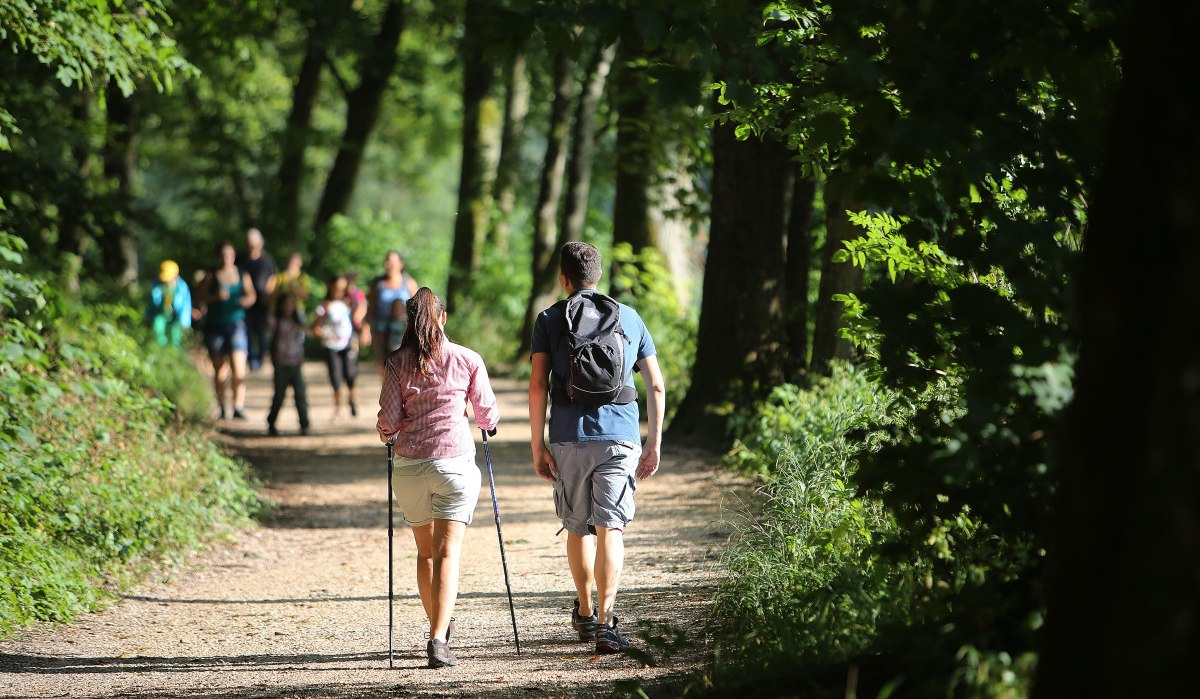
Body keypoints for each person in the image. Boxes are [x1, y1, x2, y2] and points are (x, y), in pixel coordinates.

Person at [528, 242, 665, 655]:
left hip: (570, 436)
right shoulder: (630, 317)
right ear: (598, 276)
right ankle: (607, 622)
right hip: (621, 436)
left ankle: (585, 612)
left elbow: (537, 385)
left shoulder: (551, 318)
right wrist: (653, 441)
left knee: (577, 526)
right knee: (612, 527)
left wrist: (539, 445)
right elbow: (655, 383)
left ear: (564, 278)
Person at [376, 287, 499, 668]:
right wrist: (487, 425)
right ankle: (438, 638)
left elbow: (387, 423)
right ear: (442, 318)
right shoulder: (467, 359)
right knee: (448, 552)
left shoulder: (397, 363)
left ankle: (438, 627)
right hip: (454, 466)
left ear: (408, 323)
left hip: (411, 468)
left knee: (426, 551)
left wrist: (387, 434)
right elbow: (487, 415)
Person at [203, 241, 257, 420]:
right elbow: (198, 298)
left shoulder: (242, 274)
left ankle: (238, 406)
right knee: (219, 369)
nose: (226, 258)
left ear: (233, 256)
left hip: (236, 324)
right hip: (215, 326)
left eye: (229, 254)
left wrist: (244, 301)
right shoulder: (211, 276)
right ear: (218, 257)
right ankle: (221, 407)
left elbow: (252, 295)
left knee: (239, 367)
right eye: (223, 255)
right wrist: (214, 297)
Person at [314, 275, 359, 418]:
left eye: (342, 288)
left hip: (347, 344)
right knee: (335, 376)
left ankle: (352, 399)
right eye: (337, 288)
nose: (339, 291)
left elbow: (355, 322)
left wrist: (356, 338)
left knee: (350, 374)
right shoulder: (325, 306)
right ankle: (338, 406)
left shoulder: (348, 304)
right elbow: (316, 327)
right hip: (331, 346)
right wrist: (326, 335)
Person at [267, 293, 310, 437]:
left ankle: (304, 424)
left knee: (300, 395)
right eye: (285, 304)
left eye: (291, 305)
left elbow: (309, 332)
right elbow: (267, 325)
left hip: (296, 364)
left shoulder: (297, 323)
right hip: (280, 364)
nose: (287, 308)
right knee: (279, 395)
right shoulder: (276, 322)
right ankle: (271, 422)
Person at [367, 251, 419, 368]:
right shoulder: (378, 284)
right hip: (380, 329)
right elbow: (371, 307)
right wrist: (366, 329)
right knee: (382, 364)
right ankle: (387, 385)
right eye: (386, 261)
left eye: (391, 262)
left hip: (402, 331)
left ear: (400, 264)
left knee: (402, 364)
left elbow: (418, 309)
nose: (387, 264)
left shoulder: (409, 283)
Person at [236, 227, 277, 371]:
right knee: (246, 331)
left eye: (253, 242)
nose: (251, 245)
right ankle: (251, 360)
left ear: (260, 242)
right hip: (245, 304)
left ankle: (259, 358)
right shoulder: (240, 259)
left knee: (261, 333)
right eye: (249, 242)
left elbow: (273, 278)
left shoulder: (267, 259)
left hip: (262, 304)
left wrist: (268, 294)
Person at [146, 260, 192, 347]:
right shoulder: (157, 286)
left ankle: (174, 351)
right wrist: (149, 315)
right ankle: (161, 348)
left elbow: (186, 306)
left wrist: (184, 322)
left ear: (175, 276)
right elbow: (152, 302)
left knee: (175, 333)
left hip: (177, 315)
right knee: (157, 327)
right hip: (161, 312)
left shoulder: (182, 288)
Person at [345, 271, 369, 347]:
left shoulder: (358, 293)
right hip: (345, 324)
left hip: (355, 325)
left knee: (353, 345)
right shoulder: (343, 293)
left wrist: (365, 330)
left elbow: (363, 309)